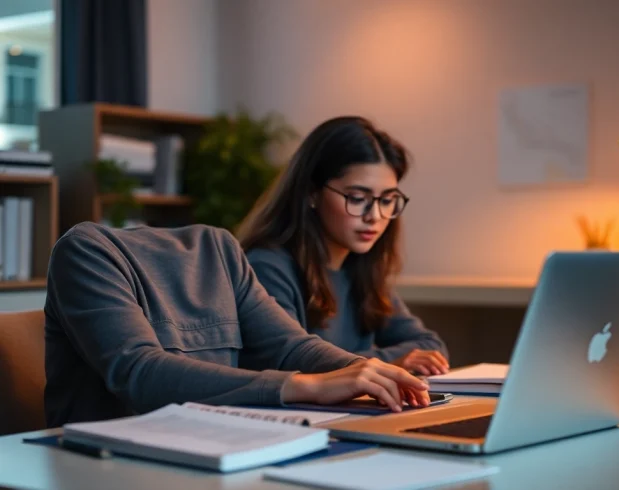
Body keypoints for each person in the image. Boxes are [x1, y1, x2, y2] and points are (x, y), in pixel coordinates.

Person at [43, 222, 431, 428]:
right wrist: (305, 385)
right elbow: (140, 373)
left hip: (211, 449)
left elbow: (290, 346)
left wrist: (361, 371)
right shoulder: (85, 252)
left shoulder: (221, 249)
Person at [238, 116, 450, 377]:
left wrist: (373, 363)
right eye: (358, 198)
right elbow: (290, 363)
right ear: (311, 193)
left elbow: (430, 347)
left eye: (387, 200)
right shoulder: (267, 266)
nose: (374, 216)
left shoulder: (361, 267)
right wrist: (388, 362)